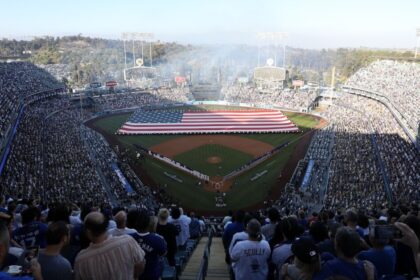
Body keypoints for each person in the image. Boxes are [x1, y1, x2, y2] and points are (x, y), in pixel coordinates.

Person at [74, 212, 145, 280]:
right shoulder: (127, 241)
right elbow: (141, 263)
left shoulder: (81, 259)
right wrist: (134, 276)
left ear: (88, 231)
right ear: (106, 226)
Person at [128, 209, 167, 280]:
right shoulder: (158, 239)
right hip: (151, 275)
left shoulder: (128, 237)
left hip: (133, 275)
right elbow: (163, 253)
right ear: (148, 224)